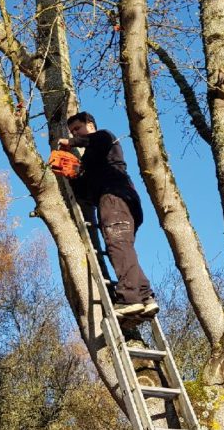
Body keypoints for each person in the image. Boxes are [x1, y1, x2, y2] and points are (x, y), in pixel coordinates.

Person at [58, 111, 158, 318]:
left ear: (91, 125)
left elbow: (98, 139)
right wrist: (73, 176)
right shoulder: (92, 161)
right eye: (72, 131)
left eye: (78, 128)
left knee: (118, 245)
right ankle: (144, 296)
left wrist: (69, 141)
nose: (75, 133)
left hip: (115, 197)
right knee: (122, 246)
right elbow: (85, 194)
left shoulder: (104, 137)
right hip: (119, 200)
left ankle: (129, 299)